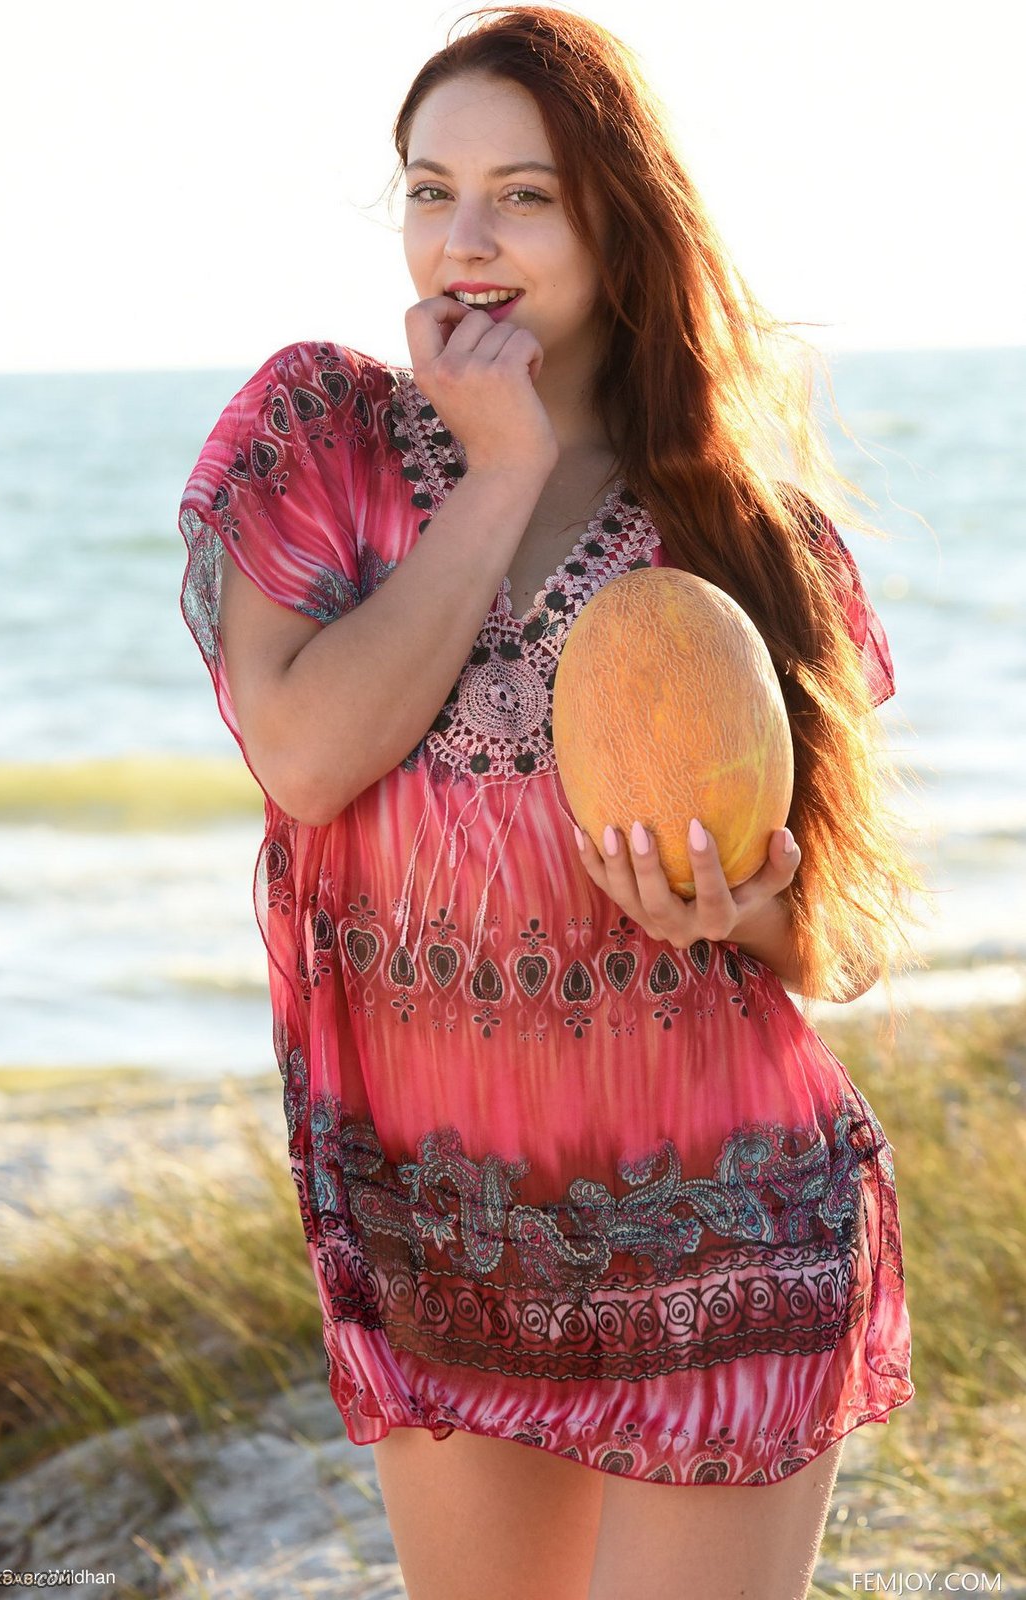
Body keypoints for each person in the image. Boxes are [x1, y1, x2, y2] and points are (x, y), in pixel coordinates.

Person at [178, 7, 924, 1596]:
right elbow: (305, 755)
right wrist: (502, 468)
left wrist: (746, 909)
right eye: (430, 190)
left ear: (616, 216)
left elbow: (845, 935)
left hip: (727, 1225)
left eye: (523, 194)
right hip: (441, 1239)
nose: (466, 239)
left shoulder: (746, 531)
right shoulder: (323, 436)